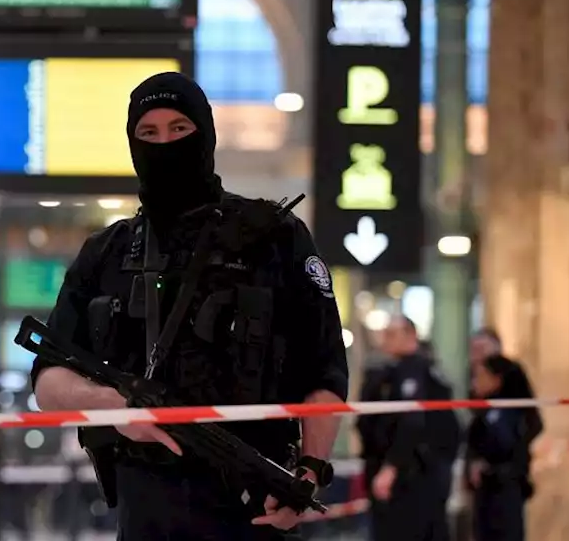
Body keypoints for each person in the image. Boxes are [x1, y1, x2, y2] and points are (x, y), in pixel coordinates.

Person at [30, 72, 349, 539]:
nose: (165, 144)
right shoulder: (108, 253)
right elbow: (48, 380)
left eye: (180, 129)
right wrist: (114, 406)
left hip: (255, 503)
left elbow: (324, 370)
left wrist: (310, 470)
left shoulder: (275, 237)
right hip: (145, 507)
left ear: (206, 133)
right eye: (148, 133)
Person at [356, 316, 459, 541]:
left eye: (392, 334)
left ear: (411, 335)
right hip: (412, 473)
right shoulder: (391, 372)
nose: (385, 341)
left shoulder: (415, 371)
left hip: (412, 476)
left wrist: (391, 467)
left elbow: (412, 423)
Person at [467, 354, 541, 541]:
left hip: (504, 490)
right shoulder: (483, 413)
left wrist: (486, 465)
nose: (475, 383)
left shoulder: (507, 414)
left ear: (496, 379)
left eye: (480, 376)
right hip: (486, 492)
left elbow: (505, 446)